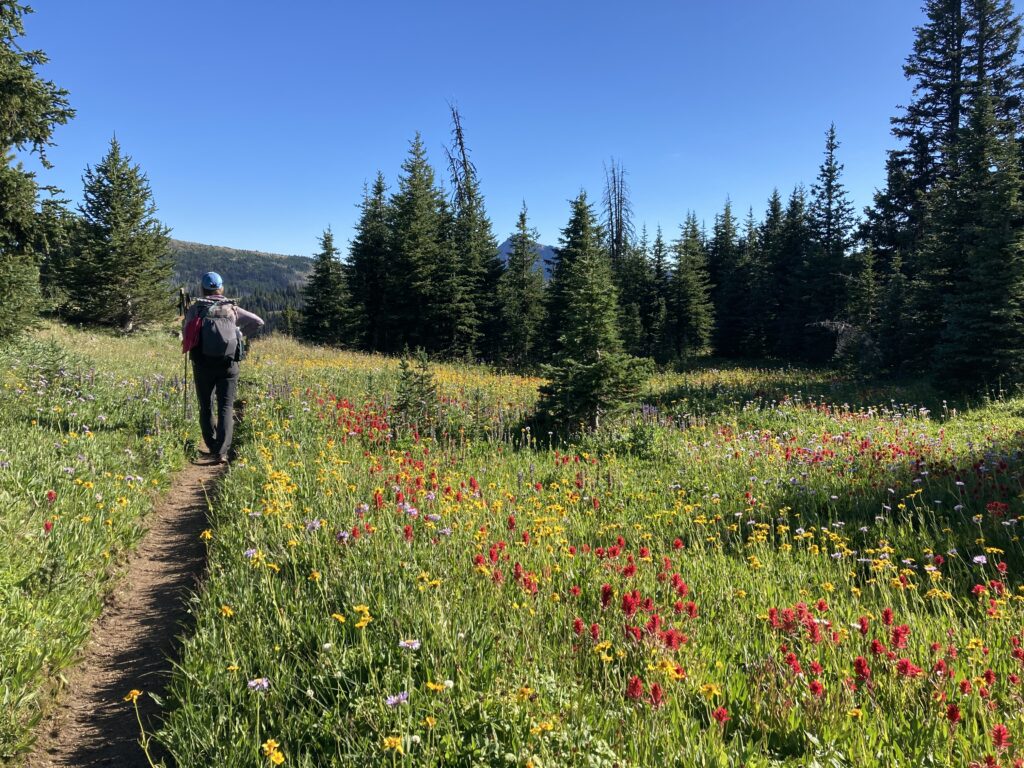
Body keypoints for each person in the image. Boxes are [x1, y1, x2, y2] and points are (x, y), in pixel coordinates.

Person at [182, 271, 264, 464]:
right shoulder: (231, 308)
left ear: (203, 288)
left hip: (202, 363)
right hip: (228, 363)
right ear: (221, 288)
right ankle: (222, 451)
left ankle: (211, 444)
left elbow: (186, 331)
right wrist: (239, 334)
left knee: (206, 405)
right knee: (226, 406)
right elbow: (258, 321)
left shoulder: (196, 309)